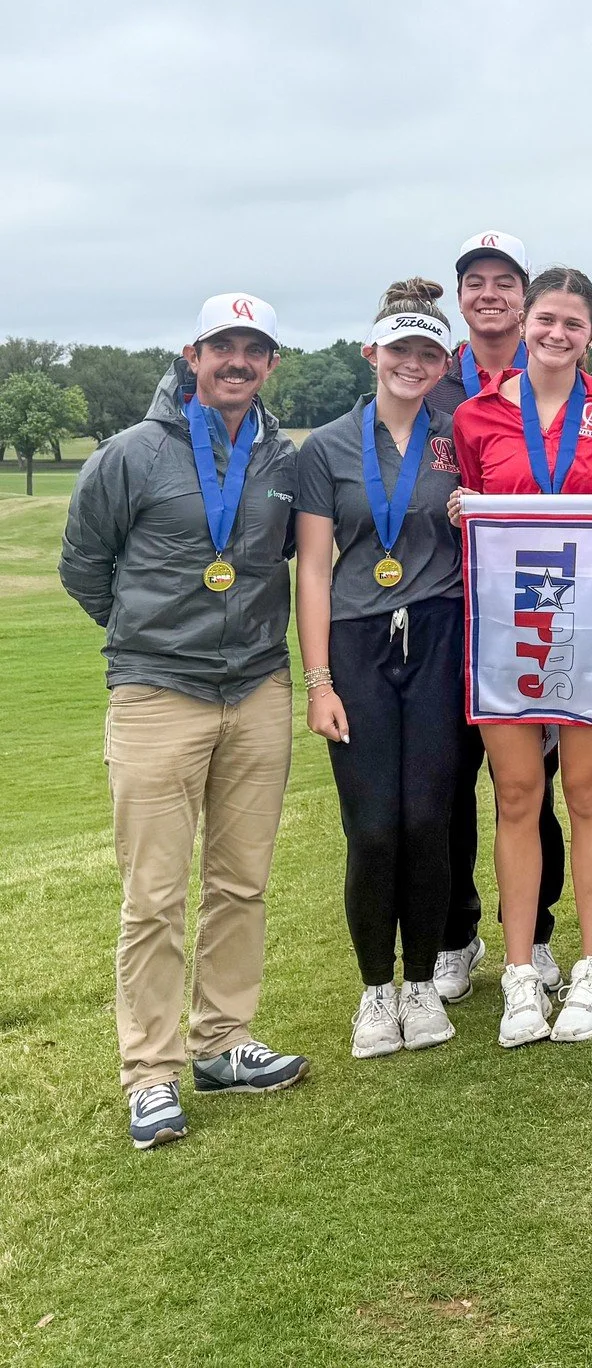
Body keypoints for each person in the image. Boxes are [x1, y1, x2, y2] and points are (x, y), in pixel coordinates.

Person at [59, 294, 308, 1152]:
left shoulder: (284, 457)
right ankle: (152, 1074)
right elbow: (84, 567)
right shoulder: (131, 454)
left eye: (255, 349)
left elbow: (293, 559)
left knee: (241, 882)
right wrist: (148, 642)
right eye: (223, 346)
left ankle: (223, 1042)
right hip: (158, 695)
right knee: (155, 895)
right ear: (192, 353)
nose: (238, 362)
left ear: (272, 363)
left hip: (258, 691)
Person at [452, 267, 592, 1047]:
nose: (557, 334)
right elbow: (470, 512)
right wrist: (466, 509)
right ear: (523, 324)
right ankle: (522, 975)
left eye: (573, 324)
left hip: (591, 626)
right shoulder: (474, 415)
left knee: (589, 796)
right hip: (508, 630)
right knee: (518, 796)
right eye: (546, 320)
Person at [296, 281, 467, 1059]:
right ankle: (375, 990)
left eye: (427, 352)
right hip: (358, 643)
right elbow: (314, 571)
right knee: (371, 830)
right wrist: (320, 680)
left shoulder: (457, 436)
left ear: (442, 364)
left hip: (439, 635)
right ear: (373, 353)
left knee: (430, 821)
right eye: (399, 349)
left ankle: (424, 983)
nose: (412, 363)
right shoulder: (327, 446)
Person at [425, 229, 568, 1006]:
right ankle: (457, 933)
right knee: (453, 783)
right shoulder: (434, 381)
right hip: (455, 608)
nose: (490, 293)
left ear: (525, 296)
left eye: (504, 281)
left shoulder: (552, 374)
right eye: (474, 280)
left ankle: (536, 932)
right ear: (460, 295)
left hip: (543, 607)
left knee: (533, 782)